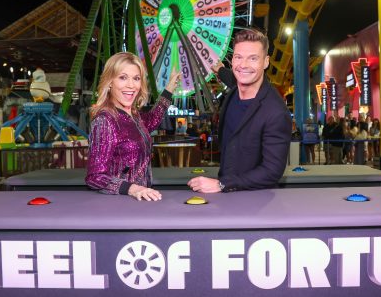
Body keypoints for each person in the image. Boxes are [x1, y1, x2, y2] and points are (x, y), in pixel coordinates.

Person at [187, 28, 291, 193]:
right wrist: (220, 70)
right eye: (238, 57)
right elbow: (233, 76)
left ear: (266, 62)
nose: (243, 65)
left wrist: (221, 184)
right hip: (226, 196)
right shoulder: (236, 89)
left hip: (254, 201)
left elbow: (272, 171)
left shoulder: (275, 112)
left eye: (253, 58)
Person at [85, 52, 180, 201]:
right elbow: (95, 177)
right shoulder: (106, 120)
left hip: (142, 200)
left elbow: (152, 120)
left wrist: (169, 89)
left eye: (136, 78)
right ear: (110, 82)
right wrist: (132, 189)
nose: (131, 85)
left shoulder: (133, 115)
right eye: (123, 77)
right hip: (120, 205)